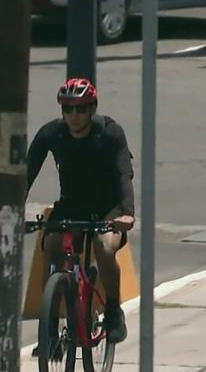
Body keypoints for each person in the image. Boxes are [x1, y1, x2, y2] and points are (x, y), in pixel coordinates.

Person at [26, 77, 136, 344]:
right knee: (51, 244)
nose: (73, 116)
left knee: (104, 245)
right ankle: (49, 327)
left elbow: (124, 174)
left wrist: (127, 213)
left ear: (93, 108)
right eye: (67, 109)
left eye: (81, 109)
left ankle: (112, 310)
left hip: (108, 208)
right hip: (71, 205)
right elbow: (26, 173)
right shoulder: (52, 133)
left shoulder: (110, 132)